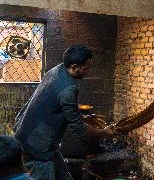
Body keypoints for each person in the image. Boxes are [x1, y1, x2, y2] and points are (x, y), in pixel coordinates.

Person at [13, 44, 115, 180]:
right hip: (37, 146)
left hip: (34, 137)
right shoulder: (68, 89)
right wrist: (104, 133)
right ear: (74, 67)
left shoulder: (57, 70)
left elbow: (60, 103)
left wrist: (83, 116)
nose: (88, 71)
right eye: (86, 68)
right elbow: (79, 129)